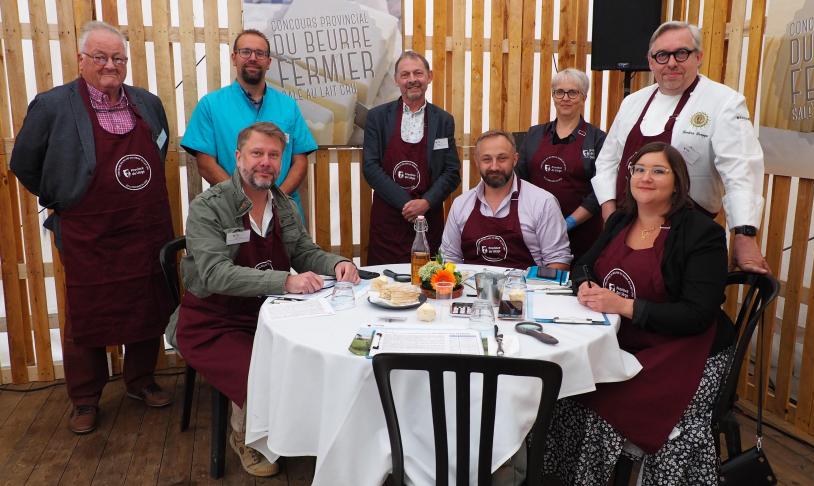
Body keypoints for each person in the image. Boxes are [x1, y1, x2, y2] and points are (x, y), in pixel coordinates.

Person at [10, 21, 174, 434]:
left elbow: (160, 149)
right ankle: (85, 399)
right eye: (100, 57)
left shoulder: (147, 103)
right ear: (81, 60)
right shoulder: (52, 105)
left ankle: (140, 381)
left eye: (117, 58)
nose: (110, 65)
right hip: (89, 233)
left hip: (144, 227)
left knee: (147, 303)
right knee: (87, 314)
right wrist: (67, 198)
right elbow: (24, 163)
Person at [169, 122, 359, 477]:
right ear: (238, 157)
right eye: (257, 153)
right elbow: (215, 274)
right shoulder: (208, 206)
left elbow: (303, 250)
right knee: (261, 371)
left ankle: (303, 431)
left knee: (316, 359)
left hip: (268, 312)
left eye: (274, 155)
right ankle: (245, 436)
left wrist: (339, 263)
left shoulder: (282, 204)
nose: (265, 162)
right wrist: (286, 280)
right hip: (213, 319)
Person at [543, 142, 734, 485]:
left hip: (684, 349)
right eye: (640, 169)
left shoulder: (701, 233)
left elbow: (697, 315)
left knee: (602, 401)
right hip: (626, 338)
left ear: (678, 183)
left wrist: (623, 306)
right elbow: (584, 264)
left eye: (659, 171)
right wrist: (585, 284)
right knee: (565, 387)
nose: (646, 177)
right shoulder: (621, 219)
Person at [591, 20, 769, 274]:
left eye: (681, 53)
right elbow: (607, 162)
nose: (671, 63)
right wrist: (610, 214)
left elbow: (741, 170)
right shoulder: (633, 102)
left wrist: (744, 234)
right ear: (651, 61)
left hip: (684, 239)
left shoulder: (724, 102)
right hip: (626, 231)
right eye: (662, 55)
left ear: (698, 57)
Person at [181, 29, 317, 213]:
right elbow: (205, 164)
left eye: (260, 53)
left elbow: (300, 161)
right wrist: (242, 200)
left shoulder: (288, 106)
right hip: (233, 210)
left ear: (268, 62)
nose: (253, 58)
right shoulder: (210, 105)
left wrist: (276, 201)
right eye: (246, 52)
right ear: (234, 58)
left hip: (283, 213)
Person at [363, 51, 461, 265]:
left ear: (429, 77)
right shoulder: (377, 118)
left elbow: (451, 172)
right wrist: (406, 204)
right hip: (388, 219)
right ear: (396, 80)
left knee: (428, 283)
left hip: (428, 218)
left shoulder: (443, 120)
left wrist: (426, 202)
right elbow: (370, 167)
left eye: (418, 73)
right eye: (405, 75)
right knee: (385, 286)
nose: (412, 80)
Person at [440, 130, 571, 270]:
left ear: (515, 159)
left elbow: (558, 262)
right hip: (472, 290)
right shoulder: (461, 204)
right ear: (477, 162)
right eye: (487, 159)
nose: (494, 166)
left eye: (502, 158)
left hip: (526, 290)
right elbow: (449, 258)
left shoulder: (543, 202)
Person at [516, 68, 606, 259]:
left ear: (584, 97)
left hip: (581, 232)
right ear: (553, 96)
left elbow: (599, 190)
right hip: (535, 231)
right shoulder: (534, 135)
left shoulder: (597, 139)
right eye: (559, 92)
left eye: (573, 92)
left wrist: (569, 223)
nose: (565, 98)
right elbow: (519, 179)